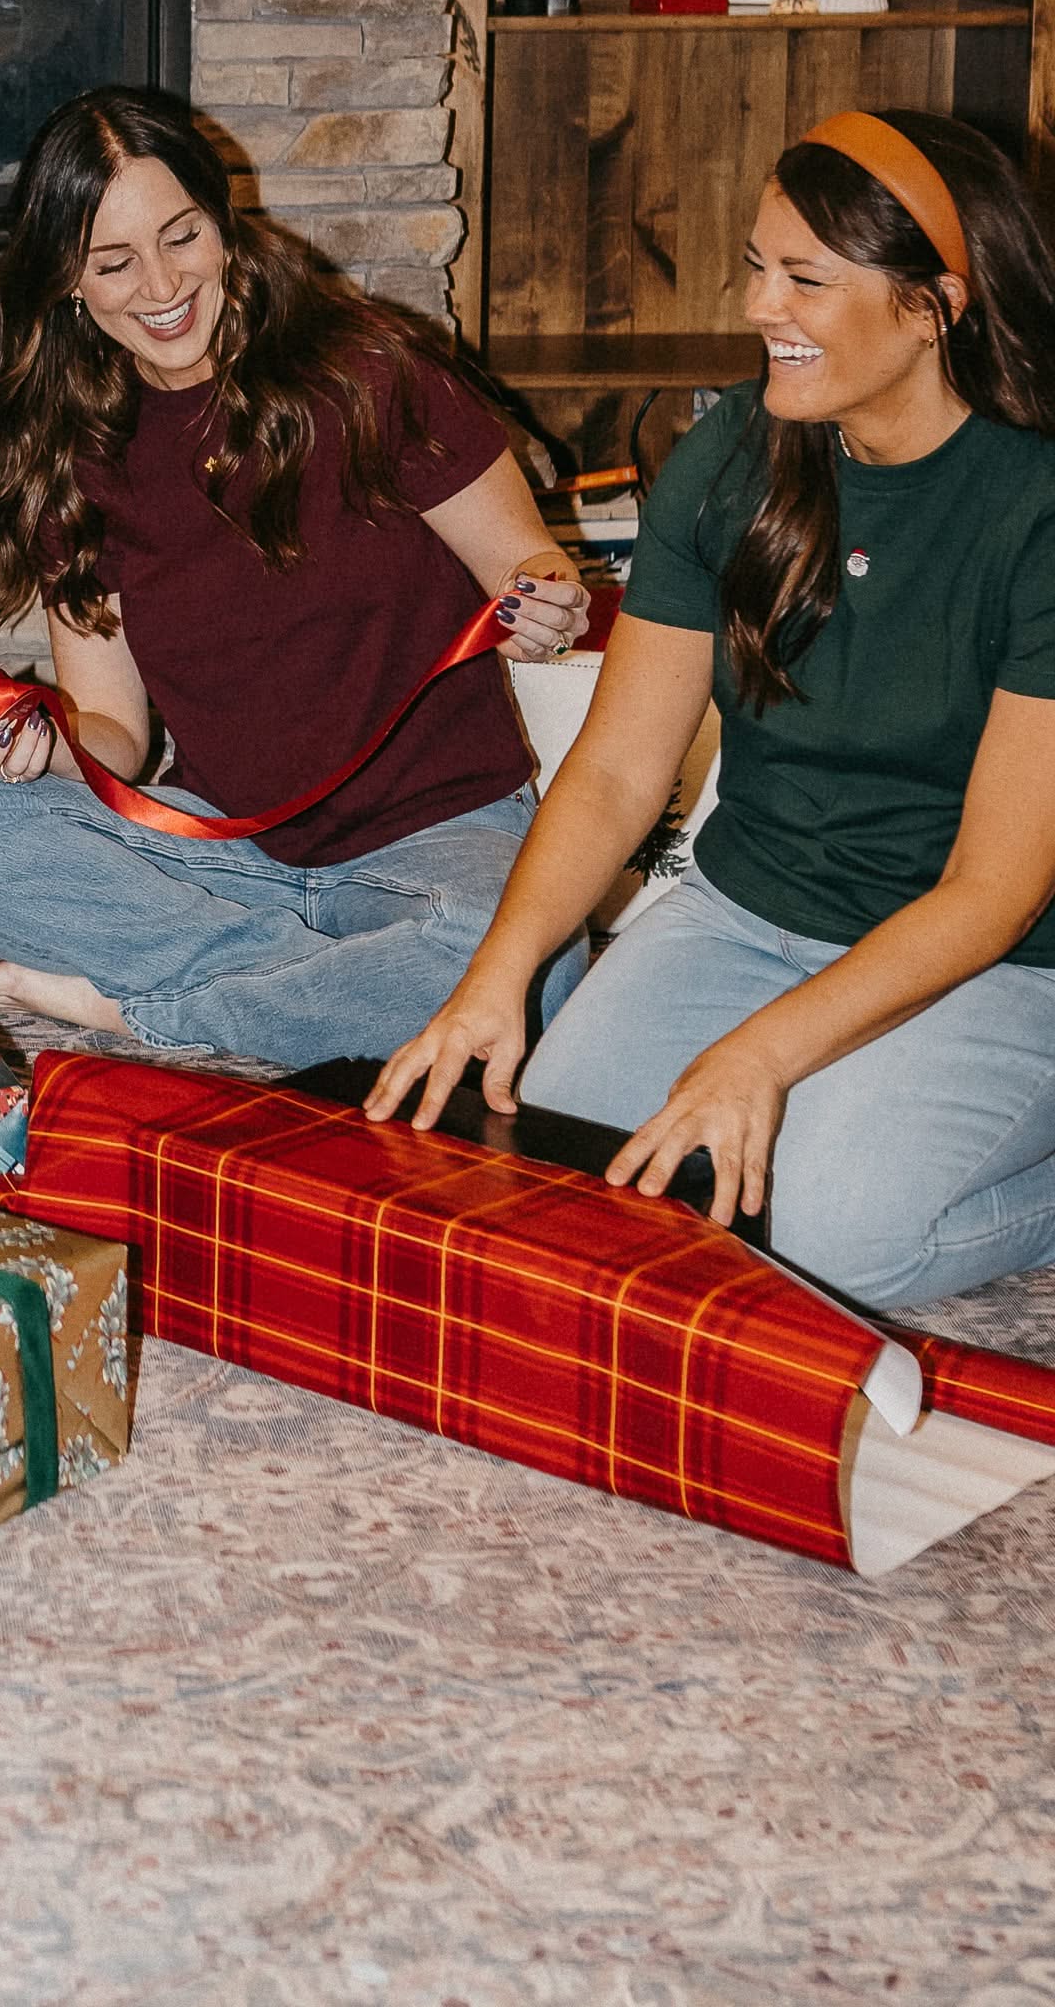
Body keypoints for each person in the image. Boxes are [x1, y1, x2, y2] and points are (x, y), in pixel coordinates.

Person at [369, 110, 1055, 1309]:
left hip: (990, 965)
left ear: (936, 303)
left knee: (819, 1232)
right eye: (755, 267)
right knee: (576, 1185)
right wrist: (501, 974)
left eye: (803, 279)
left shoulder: (1036, 509)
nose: (757, 309)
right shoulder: (733, 451)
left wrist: (762, 1055)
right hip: (748, 916)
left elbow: (992, 892)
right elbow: (620, 771)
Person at [0, 87, 590, 1064]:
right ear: (69, 283)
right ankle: (309, 991)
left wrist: (544, 601)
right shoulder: (79, 462)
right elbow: (117, 736)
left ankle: (149, 1007)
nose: (160, 286)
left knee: (523, 966)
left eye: (182, 238)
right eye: (113, 263)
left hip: (443, 838)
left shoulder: (372, 374)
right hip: (229, 855)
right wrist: (49, 736)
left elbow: (528, 564)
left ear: (225, 224)